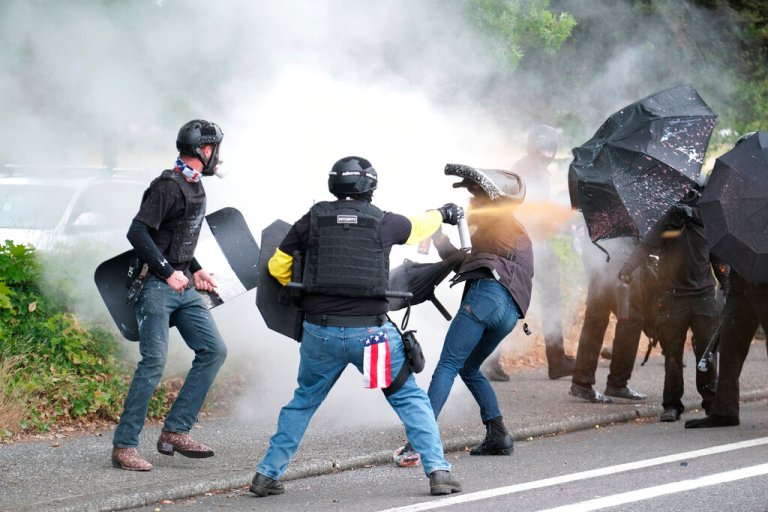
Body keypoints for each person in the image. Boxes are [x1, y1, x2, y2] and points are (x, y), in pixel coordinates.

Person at [250, 156, 462, 497]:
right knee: (408, 398)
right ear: (370, 186)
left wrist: (309, 287)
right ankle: (438, 472)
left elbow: (277, 266)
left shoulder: (311, 221)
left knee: (303, 402)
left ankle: (266, 474)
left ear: (334, 185)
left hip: (320, 332)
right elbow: (420, 225)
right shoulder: (385, 222)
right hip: (372, 336)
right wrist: (444, 213)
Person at [111, 120, 228, 471]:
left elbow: (175, 236)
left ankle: (175, 431)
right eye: (215, 149)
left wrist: (194, 268)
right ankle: (123, 447)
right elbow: (138, 231)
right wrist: (167, 271)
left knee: (214, 350)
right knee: (153, 363)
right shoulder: (167, 186)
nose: (218, 155)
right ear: (204, 150)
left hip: (183, 285)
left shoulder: (196, 187)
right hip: (155, 287)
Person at [396, 168, 533, 464]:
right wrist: (439, 235)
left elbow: (468, 255)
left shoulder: (496, 220)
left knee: (447, 364)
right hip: (510, 312)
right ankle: (498, 434)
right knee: (469, 367)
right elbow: (463, 262)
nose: (471, 203)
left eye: (475, 197)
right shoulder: (511, 232)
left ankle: (419, 443)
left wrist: (442, 217)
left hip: (487, 297)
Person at [618, 190, 728, 421]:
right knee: (672, 354)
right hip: (672, 298)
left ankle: (711, 401)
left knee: (706, 353)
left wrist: (727, 285)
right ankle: (672, 405)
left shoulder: (706, 217)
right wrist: (628, 269)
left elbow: (717, 254)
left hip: (703, 297)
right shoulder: (667, 218)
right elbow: (645, 247)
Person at [483, 125, 574, 381]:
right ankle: (491, 360)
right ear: (535, 147)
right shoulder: (527, 170)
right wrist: (549, 222)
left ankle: (555, 359)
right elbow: (525, 212)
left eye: (551, 149)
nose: (548, 153)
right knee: (514, 301)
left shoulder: (533, 169)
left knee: (544, 300)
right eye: (544, 148)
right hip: (526, 246)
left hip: (535, 244)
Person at [569, 235, 648, 403]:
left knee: (596, 317)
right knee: (630, 318)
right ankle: (617, 383)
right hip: (621, 260)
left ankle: (582, 381)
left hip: (597, 254)